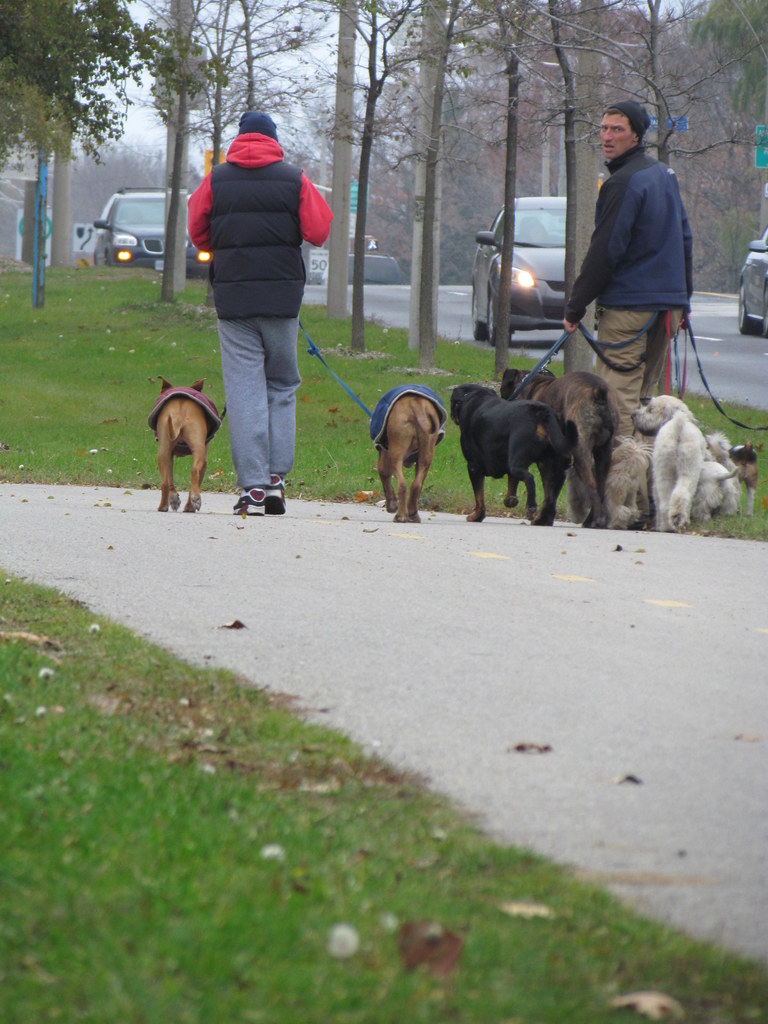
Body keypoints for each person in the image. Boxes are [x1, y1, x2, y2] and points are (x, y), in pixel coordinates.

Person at [188, 111, 333, 515]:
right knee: (281, 385)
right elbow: (319, 231)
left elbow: (197, 232)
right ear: (273, 140)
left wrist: (224, 240)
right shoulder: (294, 179)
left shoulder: (216, 180)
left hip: (234, 301)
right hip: (282, 302)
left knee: (244, 389)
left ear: (239, 139)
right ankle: (275, 481)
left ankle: (252, 486)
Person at [563, 99, 693, 439]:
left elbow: (605, 251)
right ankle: (648, 471)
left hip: (628, 311)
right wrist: (683, 301)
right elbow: (684, 238)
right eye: (604, 128)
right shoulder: (664, 175)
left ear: (636, 136)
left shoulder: (622, 183)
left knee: (618, 402)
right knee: (648, 403)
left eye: (617, 129)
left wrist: (576, 306)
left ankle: (621, 470)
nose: (607, 136)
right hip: (667, 308)